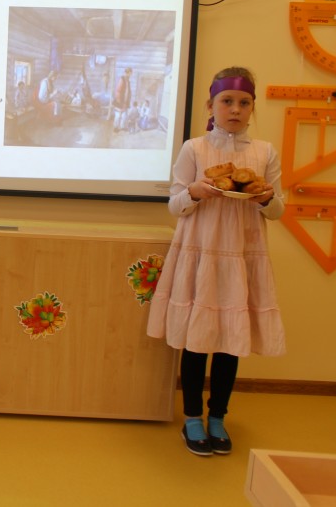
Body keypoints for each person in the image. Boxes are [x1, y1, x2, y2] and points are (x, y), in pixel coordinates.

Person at [146, 66, 284, 457]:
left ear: (252, 107)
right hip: (200, 253)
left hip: (241, 257)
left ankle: (218, 417)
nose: (235, 109)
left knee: (229, 342)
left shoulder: (264, 152)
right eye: (227, 101)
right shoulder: (194, 148)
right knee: (197, 339)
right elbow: (175, 205)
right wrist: (193, 191)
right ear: (211, 105)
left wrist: (265, 199)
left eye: (244, 102)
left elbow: (278, 211)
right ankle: (192, 417)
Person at [112, 66, 133, 131]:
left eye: (131, 74)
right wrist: (119, 101)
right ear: (127, 73)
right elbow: (118, 90)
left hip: (125, 101)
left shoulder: (128, 81)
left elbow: (128, 91)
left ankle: (122, 127)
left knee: (124, 115)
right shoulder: (122, 79)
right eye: (130, 73)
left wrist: (127, 100)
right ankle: (115, 127)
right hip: (120, 101)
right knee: (118, 115)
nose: (130, 75)